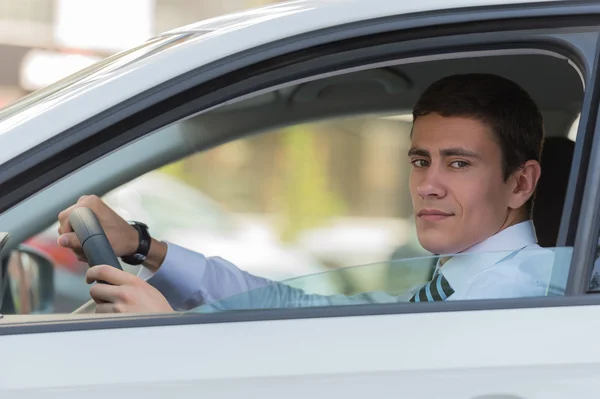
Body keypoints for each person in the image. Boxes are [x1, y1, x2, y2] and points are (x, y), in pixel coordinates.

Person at [57, 73, 553, 314]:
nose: (427, 184)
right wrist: (146, 247)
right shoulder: (465, 282)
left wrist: (169, 339)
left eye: (459, 163)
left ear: (520, 183)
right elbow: (295, 307)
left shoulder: (514, 299)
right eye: (420, 160)